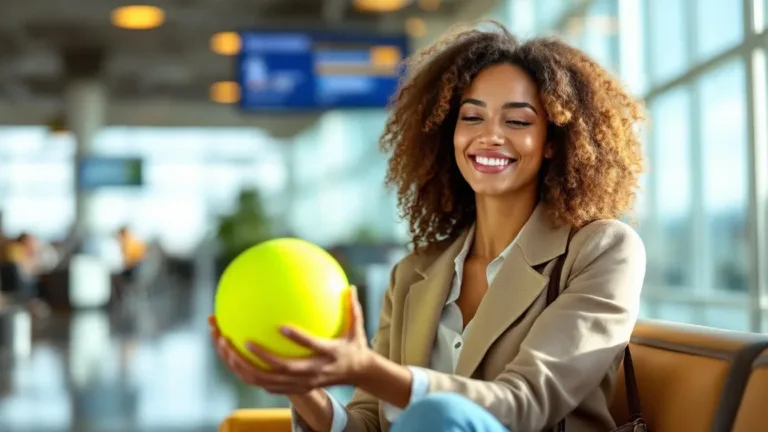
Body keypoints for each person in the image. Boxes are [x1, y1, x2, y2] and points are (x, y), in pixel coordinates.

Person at [209, 21, 646, 432]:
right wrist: (303, 389)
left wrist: (368, 368)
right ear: (448, 134)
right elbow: (369, 424)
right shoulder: (413, 275)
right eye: (471, 117)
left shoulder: (602, 250)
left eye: (516, 121)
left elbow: (526, 403)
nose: (489, 136)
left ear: (552, 142)